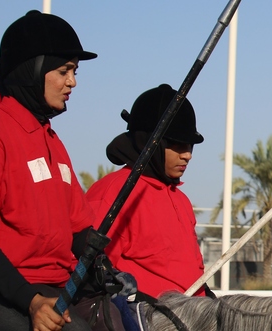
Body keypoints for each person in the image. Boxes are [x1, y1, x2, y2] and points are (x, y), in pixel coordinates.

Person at [0, 10, 106, 331]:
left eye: (75, 72)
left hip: (54, 291)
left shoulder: (54, 142)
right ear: (32, 69)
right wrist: (31, 301)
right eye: (64, 71)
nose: (72, 82)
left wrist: (97, 261)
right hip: (5, 295)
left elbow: (77, 229)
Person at [86, 84, 210, 302]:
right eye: (178, 145)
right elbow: (92, 269)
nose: (187, 155)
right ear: (151, 142)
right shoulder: (114, 191)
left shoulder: (181, 201)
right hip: (143, 322)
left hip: (194, 317)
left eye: (190, 146)